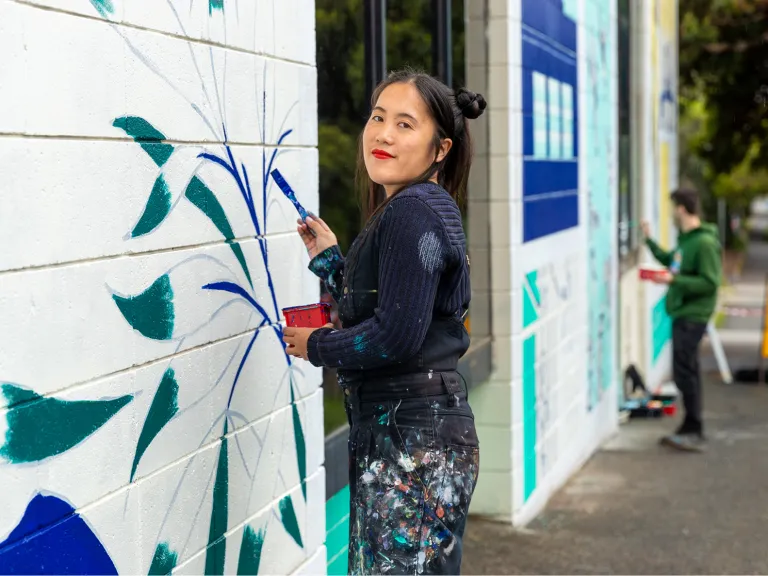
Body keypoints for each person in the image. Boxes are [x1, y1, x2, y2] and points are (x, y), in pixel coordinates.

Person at [282, 68, 485, 574]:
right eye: (377, 118)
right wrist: (332, 262)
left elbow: (395, 336)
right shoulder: (421, 208)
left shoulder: (412, 213)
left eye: (404, 124)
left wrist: (317, 346)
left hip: (412, 442)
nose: (383, 134)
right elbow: (396, 308)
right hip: (415, 435)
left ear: (440, 149)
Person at [642, 187, 722, 452]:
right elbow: (672, 261)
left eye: (673, 208)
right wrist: (649, 240)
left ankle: (694, 426)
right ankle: (690, 424)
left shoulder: (704, 243)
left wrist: (674, 280)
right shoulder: (687, 241)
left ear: (681, 209)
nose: (672, 214)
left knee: (685, 370)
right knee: (686, 369)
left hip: (693, 314)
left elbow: (710, 283)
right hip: (682, 312)